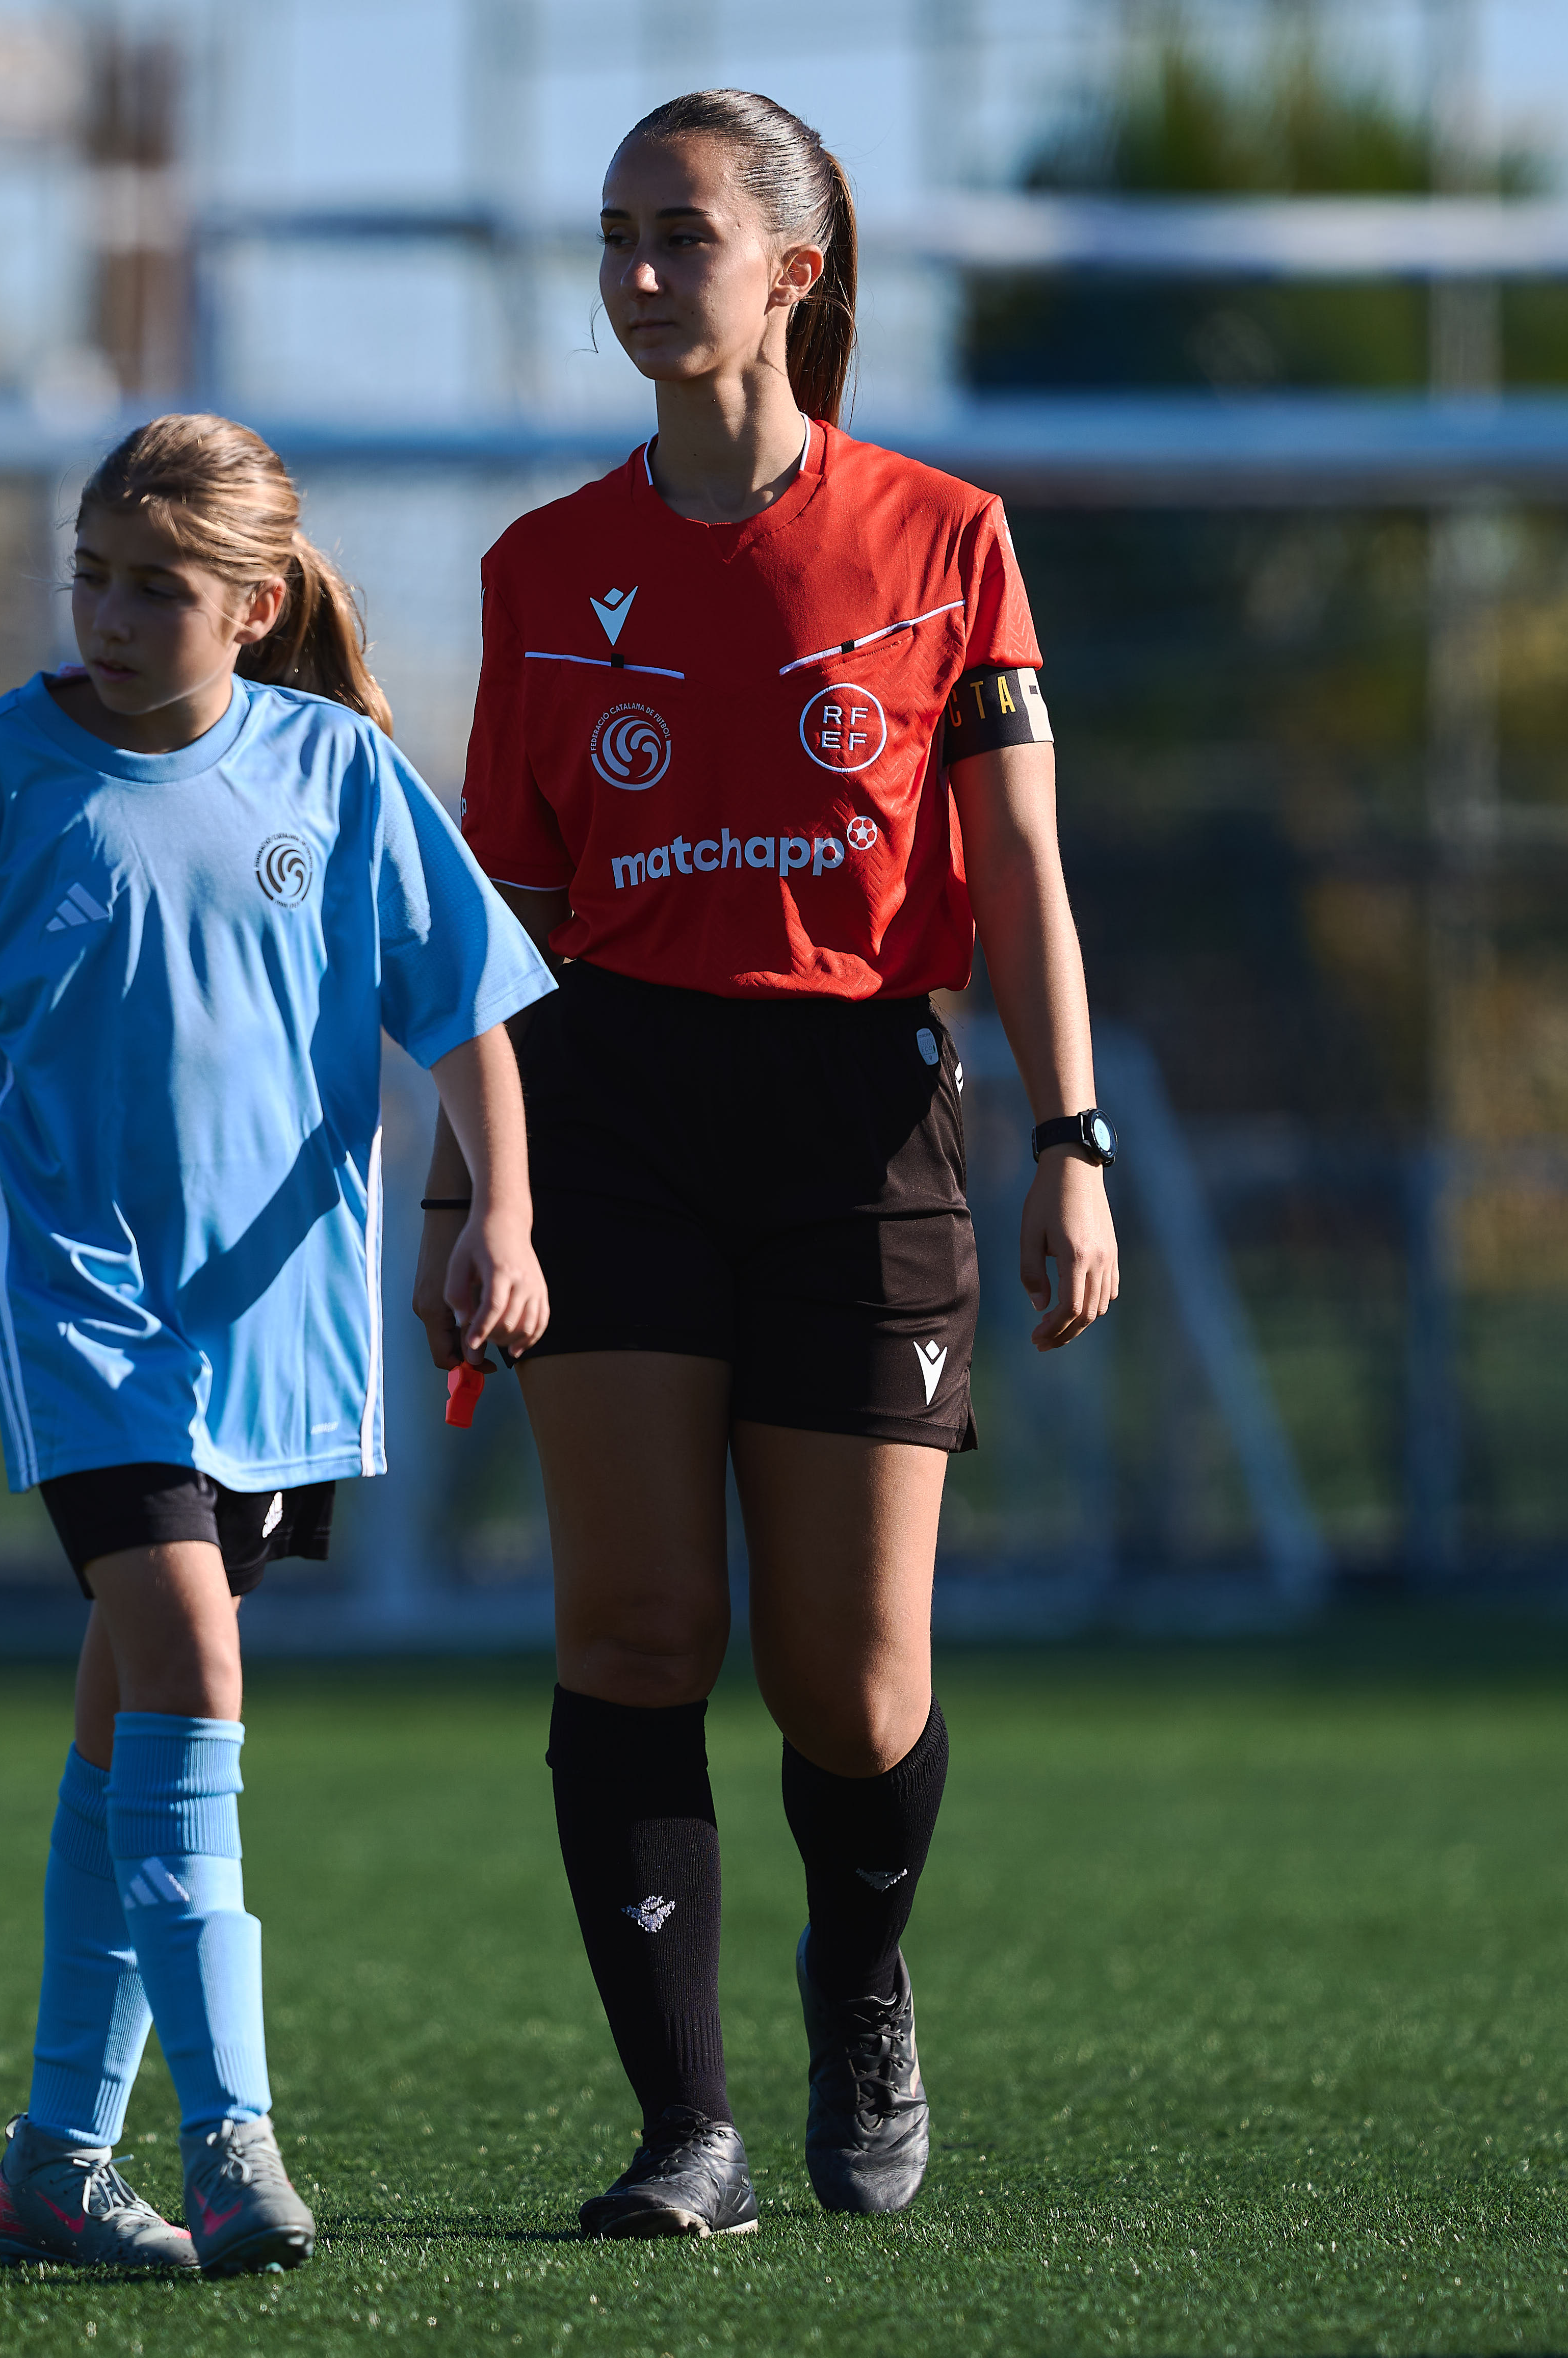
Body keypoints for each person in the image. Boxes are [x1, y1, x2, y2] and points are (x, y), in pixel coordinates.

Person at [420, 90, 1120, 2239]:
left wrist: (1071, 1140)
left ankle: (862, 1976)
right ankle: (683, 2128)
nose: (636, 273)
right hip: (609, 1107)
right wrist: (472, 1189)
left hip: (857, 1115)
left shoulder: (944, 536)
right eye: (613, 233)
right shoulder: (539, 570)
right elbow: (498, 923)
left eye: (682, 235)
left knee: (853, 1681)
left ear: (792, 273)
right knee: (637, 1626)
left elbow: (1019, 867)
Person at [0, 413, 556, 2277]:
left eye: (154, 590)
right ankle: (234, 2135)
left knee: (131, 1726)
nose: (107, 617)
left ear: (252, 609)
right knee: (192, 1663)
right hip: (79, 1304)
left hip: (271, 1330)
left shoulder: (335, 770)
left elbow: (467, 1010)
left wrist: (499, 1214)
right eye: (89, 577)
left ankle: (51, 2158)